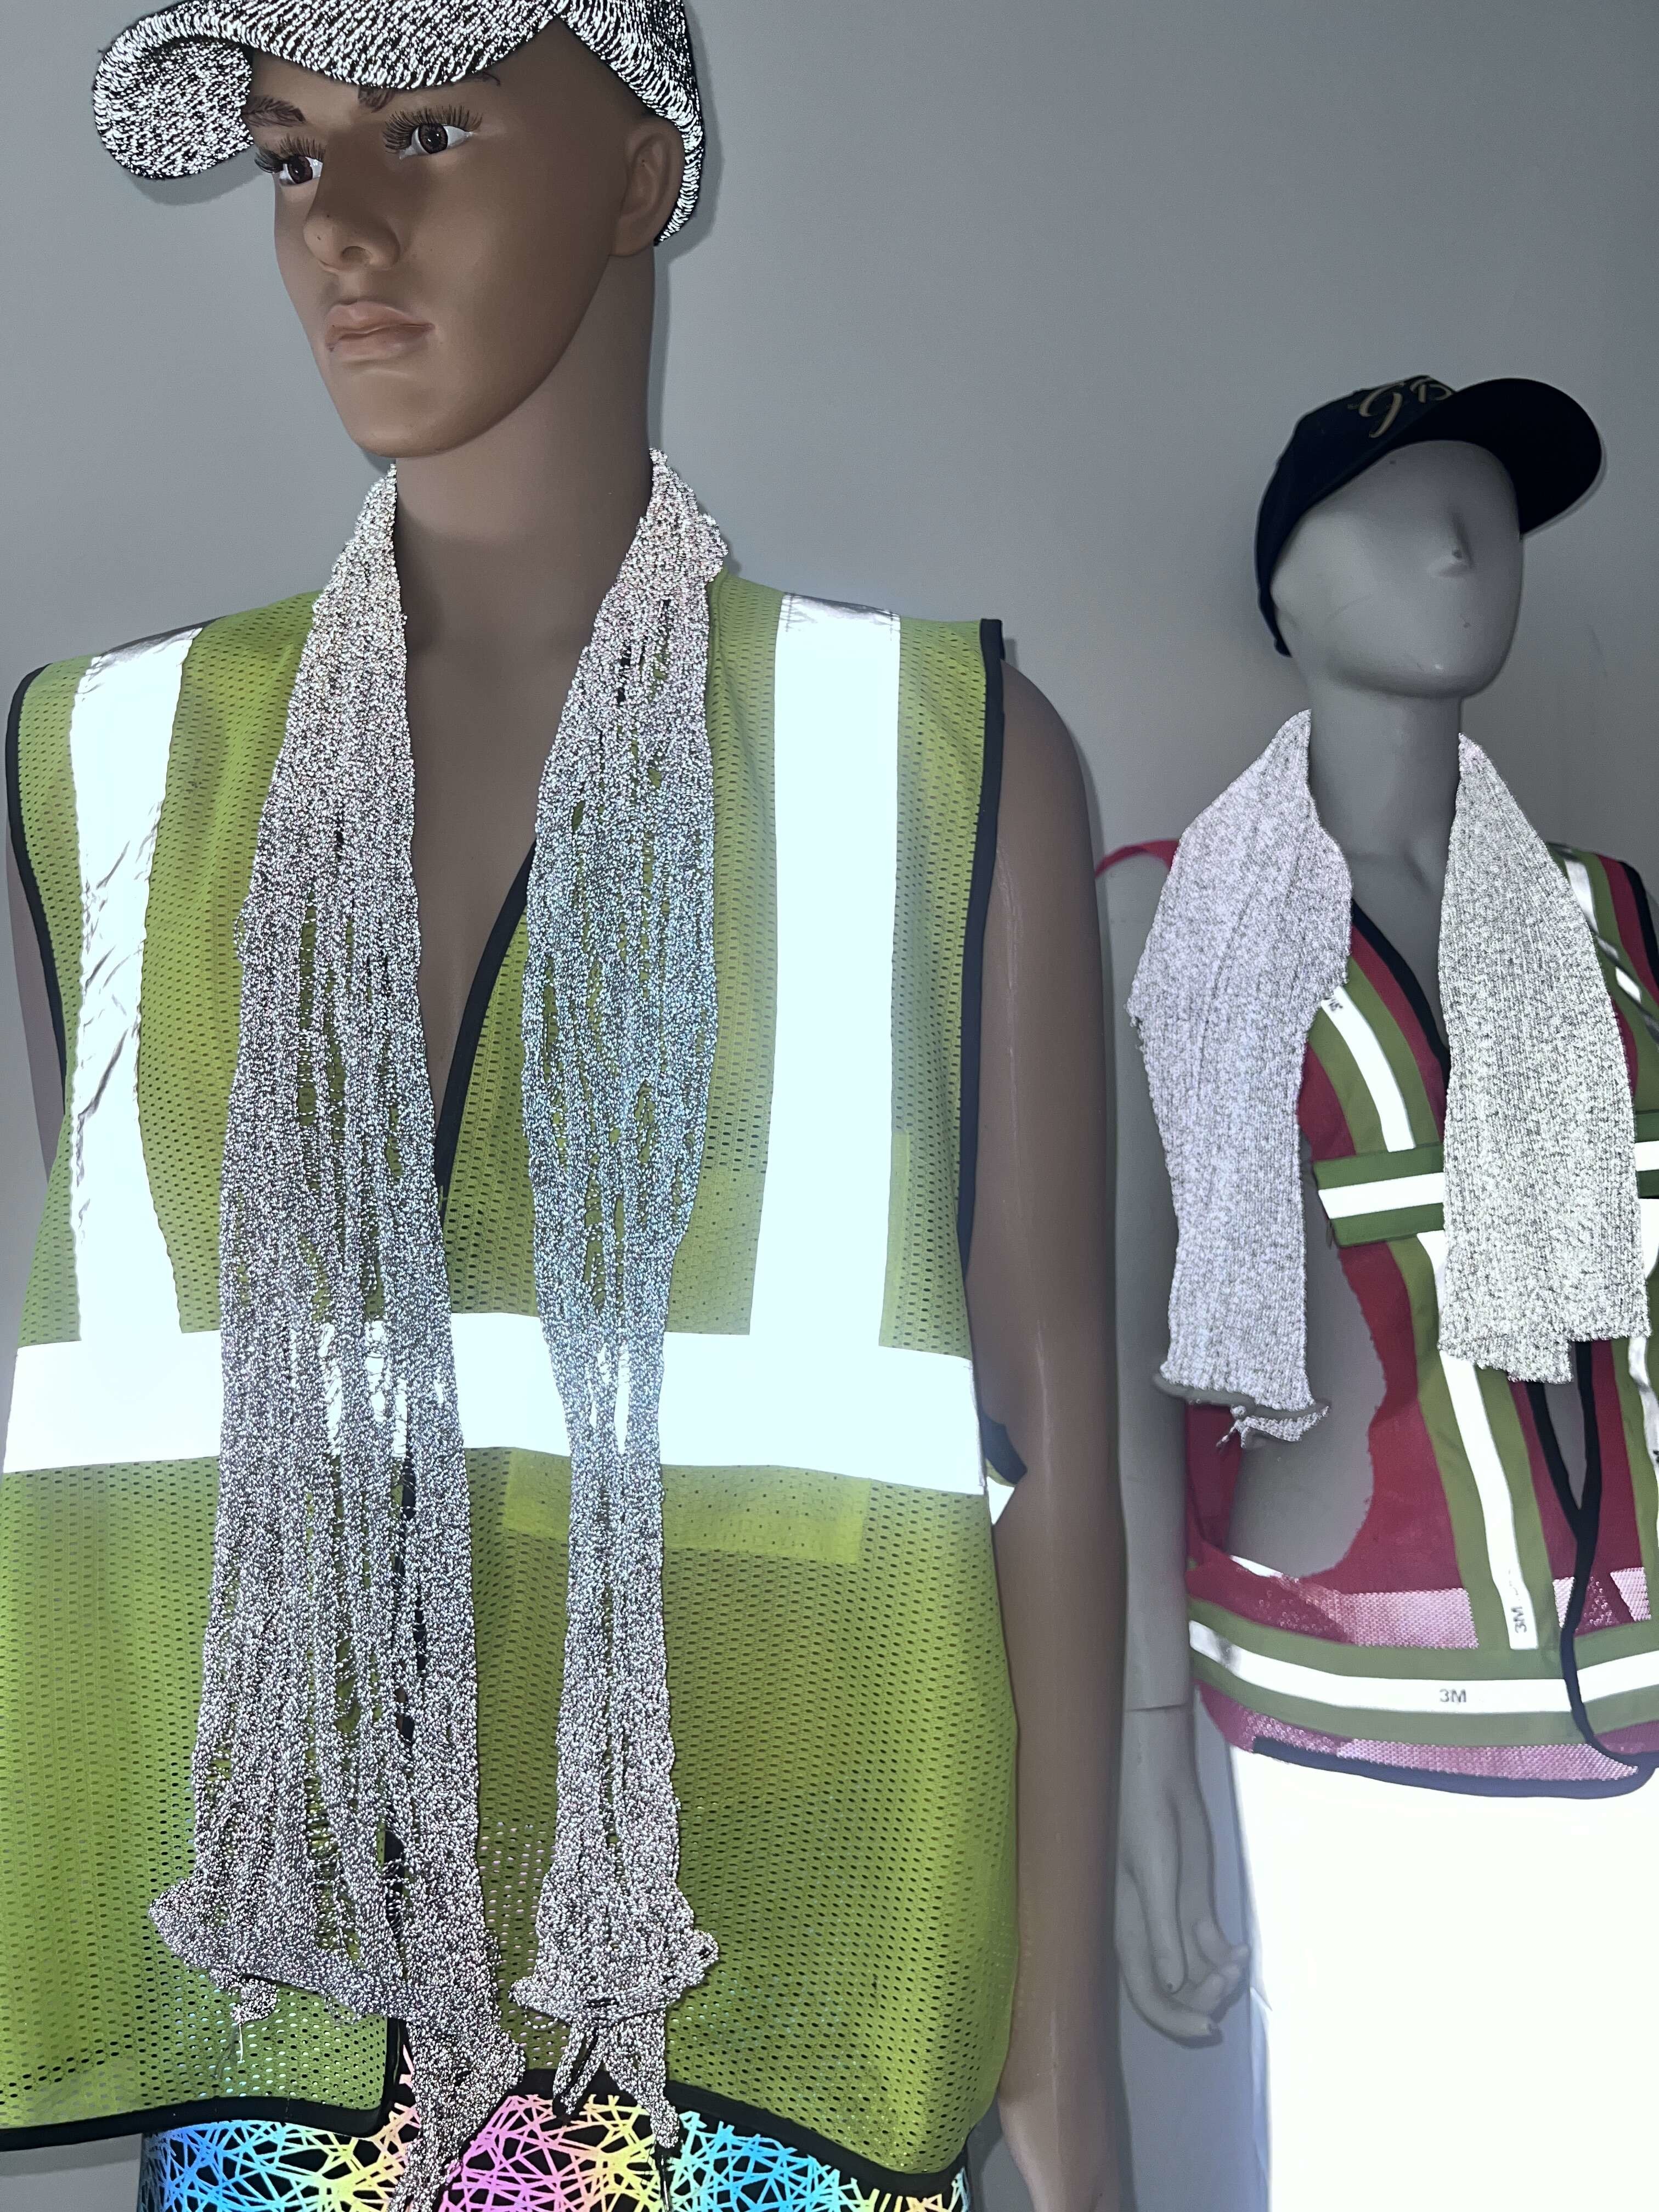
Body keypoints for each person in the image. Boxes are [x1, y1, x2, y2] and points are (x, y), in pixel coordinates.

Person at [1, 7, 1122, 2211]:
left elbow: (1059, 1450)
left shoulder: (917, 753)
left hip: (762, 2023)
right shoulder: (113, 770)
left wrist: (1065, 2089)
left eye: (428, 132)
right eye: (294, 155)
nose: (345, 228)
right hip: (285, 2040)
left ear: (642, 174)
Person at [1107, 376, 1659, 2212]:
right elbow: (1113, 1379)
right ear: (1287, 584)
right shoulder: (1176, 921)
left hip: (1643, 1684)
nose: (1463, 541)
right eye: (1400, 506)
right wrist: (1146, 1762)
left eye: (1490, 505)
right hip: (1355, 1720)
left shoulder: (1612, 925)